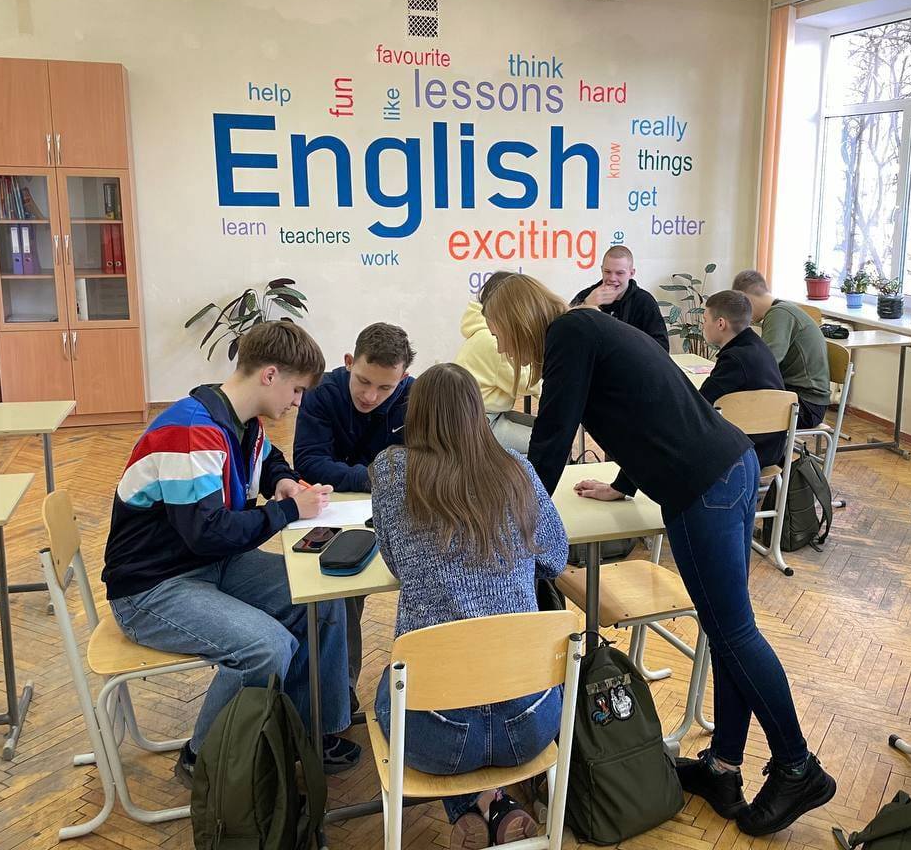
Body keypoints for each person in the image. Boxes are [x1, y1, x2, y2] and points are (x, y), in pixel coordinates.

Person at [483, 274, 836, 836]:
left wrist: (518, 526)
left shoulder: (568, 335)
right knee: (728, 633)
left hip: (701, 485)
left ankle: (798, 766)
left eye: (499, 331)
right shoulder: (590, 328)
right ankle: (723, 767)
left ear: (516, 318)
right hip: (730, 467)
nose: (502, 346)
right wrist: (623, 484)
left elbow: (552, 437)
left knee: (735, 634)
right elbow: (649, 407)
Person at [102, 322, 358, 785]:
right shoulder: (190, 432)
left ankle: (311, 732)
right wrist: (287, 510)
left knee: (323, 601)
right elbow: (208, 532)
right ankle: (205, 761)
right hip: (151, 589)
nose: (297, 402)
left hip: (207, 566)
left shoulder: (242, 422)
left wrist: (282, 480)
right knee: (266, 647)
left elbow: (266, 459)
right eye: (296, 390)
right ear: (270, 375)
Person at [368, 363, 568, 850]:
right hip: (532, 725)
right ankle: (492, 803)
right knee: (464, 682)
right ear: (478, 413)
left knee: (390, 686)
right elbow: (555, 557)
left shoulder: (391, 472)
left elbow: (394, 559)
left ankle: (469, 804)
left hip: (438, 738)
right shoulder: (517, 469)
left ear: (415, 415)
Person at [294, 321, 415, 699]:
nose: (370, 395)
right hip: (335, 512)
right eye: (363, 381)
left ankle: (425, 683)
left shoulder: (415, 397)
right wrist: (375, 477)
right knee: (339, 586)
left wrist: (370, 478)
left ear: (403, 379)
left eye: (385, 387)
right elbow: (308, 461)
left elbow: (424, 462)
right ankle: (339, 691)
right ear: (349, 361)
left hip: (398, 512)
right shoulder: (322, 393)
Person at [455, 270, 542, 454]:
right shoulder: (491, 339)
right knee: (549, 442)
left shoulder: (483, 331)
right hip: (478, 424)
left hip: (487, 416)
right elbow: (526, 383)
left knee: (549, 431)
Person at [699, 290, 787, 469]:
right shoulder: (758, 346)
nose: (703, 326)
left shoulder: (734, 359)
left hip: (748, 451)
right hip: (771, 446)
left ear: (721, 323)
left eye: (705, 320)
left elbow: (701, 403)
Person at [732, 270, 831, 428]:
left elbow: (765, 363)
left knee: (733, 411)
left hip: (805, 405)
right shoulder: (781, 310)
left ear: (747, 299)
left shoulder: (779, 314)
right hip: (799, 398)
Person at [570, 245, 669, 351]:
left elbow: (662, 347)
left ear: (631, 273)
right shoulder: (586, 296)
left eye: (619, 273)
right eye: (607, 272)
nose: (612, 278)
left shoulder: (644, 302)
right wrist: (586, 306)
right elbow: (564, 333)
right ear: (601, 270)